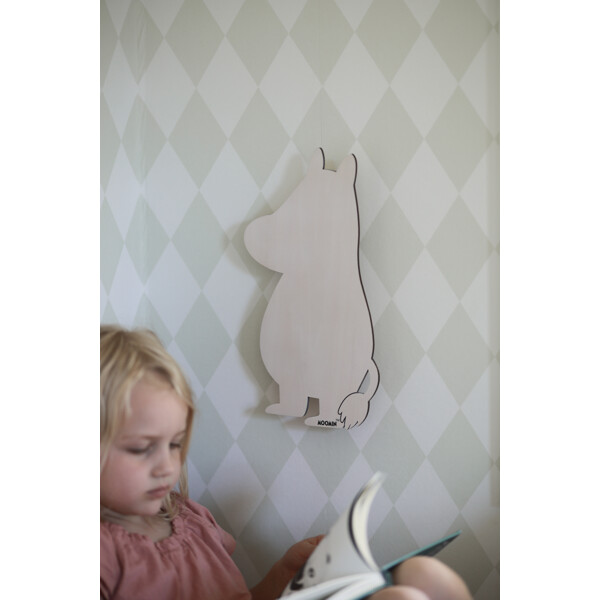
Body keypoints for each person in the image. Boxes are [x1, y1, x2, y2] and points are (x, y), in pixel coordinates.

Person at [100, 325, 471, 600]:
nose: (167, 466)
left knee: (421, 575)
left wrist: (284, 574)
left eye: (175, 444)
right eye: (141, 448)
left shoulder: (192, 520)